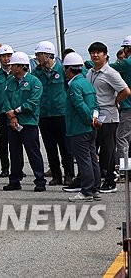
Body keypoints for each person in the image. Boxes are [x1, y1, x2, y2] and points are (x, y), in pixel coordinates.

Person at [85, 41, 130, 193]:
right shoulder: (90, 72)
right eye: (93, 52)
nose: (95, 55)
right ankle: (94, 179)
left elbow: (126, 91)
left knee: (108, 150)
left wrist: (115, 101)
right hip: (95, 115)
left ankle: (111, 181)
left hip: (109, 116)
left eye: (99, 52)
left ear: (105, 55)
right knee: (93, 148)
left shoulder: (111, 73)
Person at [2, 51, 46, 192]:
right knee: (14, 153)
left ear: (20, 67)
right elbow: (5, 100)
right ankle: (15, 180)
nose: (11, 68)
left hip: (28, 123)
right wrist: (12, 116)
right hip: (13, 123)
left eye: (13, 65)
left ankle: (40, 180)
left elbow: (33, 103)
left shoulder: (34, 82)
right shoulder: (10, 82)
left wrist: (16, 112)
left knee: (33, 153)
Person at [32, 41, 74, 187]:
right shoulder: (37, 73)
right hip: (44, 115)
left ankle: (69, 174)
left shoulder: (62, 70)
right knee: (50, 147)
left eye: (39, 55)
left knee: (65, 147)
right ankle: (56, 175)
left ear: (48, 54)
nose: (37, 58)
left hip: (61, 114)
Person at [63, 52, 101, 201]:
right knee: (92, 158)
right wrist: (95, 118)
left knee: (84, 160)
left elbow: (80, 106)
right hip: (91, 128)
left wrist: (88, 120)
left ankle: (86, 191)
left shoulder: (74, 86)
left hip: (80, 128)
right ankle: (95, 189)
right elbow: (96, 104)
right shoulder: (87, 83)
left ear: (68, 69)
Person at [0, 45, 15, 179]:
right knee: (4, 142)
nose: (6, 59)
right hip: (2, 113)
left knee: (16, 143)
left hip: (15, 113)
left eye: (8, 56)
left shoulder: (17, 73)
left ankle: (17, 168)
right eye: (3, 56)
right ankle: (5, 168)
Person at [111, 37, 131, 175]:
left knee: (122, 139)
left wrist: (85, 62)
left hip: (128, 107)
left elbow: (107, 67)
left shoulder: (127, 63)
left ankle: (124, 171)